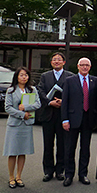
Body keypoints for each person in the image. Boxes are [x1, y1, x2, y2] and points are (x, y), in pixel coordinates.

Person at [61, 57, 97, 187]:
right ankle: (69, 175)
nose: (84, 67)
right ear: (77, 66)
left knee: (85, 149)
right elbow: (64, 102)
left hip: (88, 120)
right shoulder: (70, 81)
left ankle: (83, 174)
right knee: (70, 149)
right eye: (82, 65)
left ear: (90, 67)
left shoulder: (95, 81)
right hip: (72, 120)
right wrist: (65, 119)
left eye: (87, 65)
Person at [3, 67, 41, 189]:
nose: (24, 77)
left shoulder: (32, 89)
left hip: (27, 125)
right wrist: (21, 114)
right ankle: (11, 177)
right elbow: (8, 108)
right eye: (21, 75)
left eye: (26, 75)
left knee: (23, 152)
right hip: (14, 125)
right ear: (17, 77)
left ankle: (19, 176)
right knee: (12, 152)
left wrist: (25, 107)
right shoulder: (11, 90)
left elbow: (38, 104)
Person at [37, 52, 73, 182]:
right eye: (54, 60)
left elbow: (74, 93)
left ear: (64, 62)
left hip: (63, 116)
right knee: (48, 144)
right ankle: (48, 171)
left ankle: (60, 171)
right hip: (48, 114)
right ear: (51, 62)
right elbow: (40, 91)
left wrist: (64, 102)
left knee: (62, 144)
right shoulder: (45, 76)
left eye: (59, 60)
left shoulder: (70, 76)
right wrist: (49, 102)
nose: (56, 62)